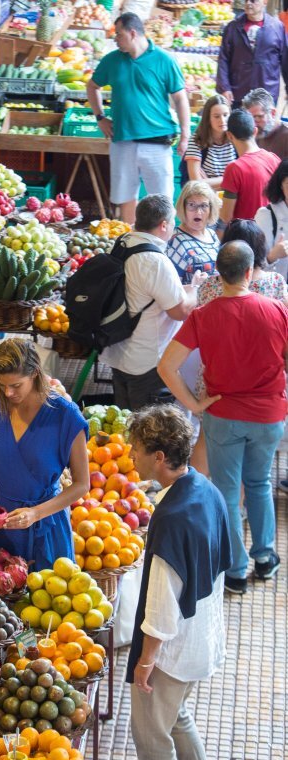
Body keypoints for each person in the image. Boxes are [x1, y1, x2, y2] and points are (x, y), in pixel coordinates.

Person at [158, 240, 288, 594]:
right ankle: (265, 558)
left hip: (223, 414)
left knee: (228, 491)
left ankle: (234, 570)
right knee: (260, 483)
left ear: (219, 273)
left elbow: (166, 365)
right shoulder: (278, 310)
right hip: (269, 415)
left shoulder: (204, 315)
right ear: (250, 272)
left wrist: (194, 404)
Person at [126, 404, 231, 760]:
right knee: (178, 719)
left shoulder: (170, 519)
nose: (130, 456)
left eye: (135, 449)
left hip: (173, 651)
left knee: (152, 739)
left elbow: (162, 609)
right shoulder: (205, 487)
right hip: (204, 635)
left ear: (158, 457)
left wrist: (146, 662)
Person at [0, 338, 89, 570]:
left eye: (16, 385)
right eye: (1, 384)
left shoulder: (66, 416)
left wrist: (35, 513)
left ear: (34, 373)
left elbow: (82, 485)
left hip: (44, 528)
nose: (8, 392)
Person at [188, 219, 288, 475]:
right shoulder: (275, 283)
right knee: (249, 457)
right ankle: (240, 509)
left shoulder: (210, 285)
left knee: (205, 438)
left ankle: (197, 492)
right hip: (262, 381)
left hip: (215, 378)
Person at [87, 12, 190, 225]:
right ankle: (131, 243)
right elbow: (92, 86)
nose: (115, 39)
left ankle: (162, 247)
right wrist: (100, 117)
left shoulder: (164, 60)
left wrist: (185, 135)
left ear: (132, 33)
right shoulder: (112, 60)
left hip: (158, 142)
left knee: (162, 200)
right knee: (126, 198)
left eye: (119, 34)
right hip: (123, 140)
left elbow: (180, 99)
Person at [99, 194, 196, 410]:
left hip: (118, 350)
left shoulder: (123, 242)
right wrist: (197, 290)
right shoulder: (155, 261)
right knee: (149, 433)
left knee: (125, 424)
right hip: (147, 360)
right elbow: (179, 311)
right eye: (173, 222)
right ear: (163, 225)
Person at [217, 109, 280, 237]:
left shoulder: (234, 168)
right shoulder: (274, 159)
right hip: (273, 234)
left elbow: (226, 216)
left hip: (245, 238)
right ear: (255, 131)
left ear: (229, 135)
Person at [216, 0, 288, 107]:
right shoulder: (232, 28)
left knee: (265, 123)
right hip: (238, 93)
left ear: (265, 2)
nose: (248, 3)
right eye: (246, 0)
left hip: (267, 93)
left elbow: (285, 60)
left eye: (253, 0)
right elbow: (223, 60)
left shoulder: (277, 28)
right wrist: (224, 88)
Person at [167, 181, 221, 284]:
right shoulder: (175, 240)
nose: (198, 212)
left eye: (204, 206)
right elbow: (172, 289)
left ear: (211, 208)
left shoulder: (212, 234)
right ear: (183, 207)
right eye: (192, 205)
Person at [181, 94, 236, 189]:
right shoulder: (197, 140)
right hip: (206, 198)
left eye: (225, 115)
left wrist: (207, 182)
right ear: (208, 118)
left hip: (231, 197)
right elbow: (196, 183)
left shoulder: (236, 138)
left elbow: (245, 176)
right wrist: (230, 179)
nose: (222, 120)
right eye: (216, 116)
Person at [255, 158, 288, 280]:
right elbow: (253, 266)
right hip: (276, 292)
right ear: (281, 186)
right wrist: (273, 255)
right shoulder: (267, 215)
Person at [242, 87, 288, 160]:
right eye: (250, 119)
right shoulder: (254, 135)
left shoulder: (285, 135)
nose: (254, 124)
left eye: (259, 117)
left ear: (273, 113)